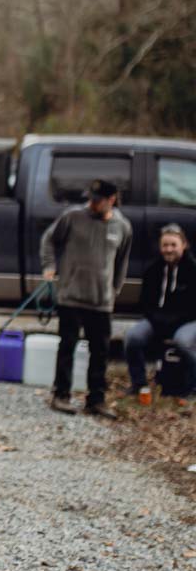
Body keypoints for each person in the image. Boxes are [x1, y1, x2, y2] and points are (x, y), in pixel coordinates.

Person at [41, 178, 132, 418]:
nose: (92, 203)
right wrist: (49, 265)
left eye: (98, 200)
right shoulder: (72, 217)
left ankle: (96, 400)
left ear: (111, 200)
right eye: (91, 198)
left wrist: (114, 289)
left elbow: (122, 261)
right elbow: (49, 240)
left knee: (100, 351)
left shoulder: (122, 226)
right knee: (67, 346)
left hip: (101, 300)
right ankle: (61, 395)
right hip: (71, 295)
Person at [126, 223, 196, 396]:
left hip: (188, 321)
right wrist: (157, 319)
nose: (169, 249)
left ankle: (192, 386)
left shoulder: (193, 270)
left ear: (184, 245)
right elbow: (144, 303)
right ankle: (139, 384)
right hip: (157, 321)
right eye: (165, 245)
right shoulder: (153, 270)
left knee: (183, 342)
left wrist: (173, 321)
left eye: (173, 245)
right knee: (132, 338)